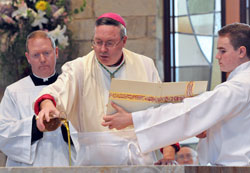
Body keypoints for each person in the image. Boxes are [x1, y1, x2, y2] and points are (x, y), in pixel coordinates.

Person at [34, 12, 179, 165]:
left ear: (124, 41)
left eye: (109, 43)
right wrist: (47, 105)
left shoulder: (145, 65)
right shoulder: (79, 68)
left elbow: (162, 112)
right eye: (97, 42)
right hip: (94, 161)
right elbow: (55, 91)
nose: (102, 49)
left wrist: (168, 156)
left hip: (140, 161)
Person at [102, 22, 250, 166]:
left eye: (223, 50)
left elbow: (188, 111)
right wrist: (209, 130)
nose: (217, 56)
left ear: (241, 52)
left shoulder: (238, 87)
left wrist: (132, 118)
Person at [0, 30, 76, 166]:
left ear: (56, 52)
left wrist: (66, 126)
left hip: (65, 163)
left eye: (47, 53)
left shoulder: (73, 87)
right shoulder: (13, 92)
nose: (42, 59)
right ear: (28, 58)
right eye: (36, 55)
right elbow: (3, 134)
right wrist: (35, 127)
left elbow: (91, 129)